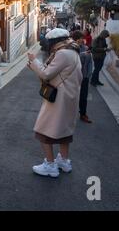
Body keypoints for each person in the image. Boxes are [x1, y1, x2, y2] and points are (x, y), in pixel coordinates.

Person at [28, 28, 82, 178]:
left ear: (54, 42)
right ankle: (63, 161)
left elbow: (46, 74)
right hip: (70, 97)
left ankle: (50, 165)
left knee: (43, 130)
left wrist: (34, 62)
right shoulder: (73, 52)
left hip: (59, 99)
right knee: (64, 131)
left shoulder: (62, 54)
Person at [72, 31, 93, 124]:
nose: (82, 39)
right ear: (75, 39)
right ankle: (67, 115)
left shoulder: (85, 47)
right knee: (71, 96)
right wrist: (83, 54)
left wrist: (89, 74)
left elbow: (90, 62)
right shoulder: (71, 48)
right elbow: (72, 59)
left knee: (83, 96)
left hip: (84, 76)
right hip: (74, 76)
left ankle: (83, 114)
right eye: (80, 38)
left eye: (82, 38)